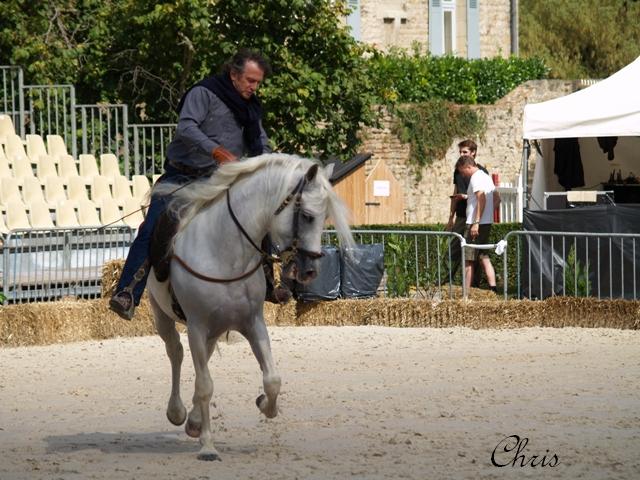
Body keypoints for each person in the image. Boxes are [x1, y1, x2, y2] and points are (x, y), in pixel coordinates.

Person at [109, 49, 273, 320]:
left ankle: (270, 281)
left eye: (258, 82)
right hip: (182, 176)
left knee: (261, 215)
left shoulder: (250, 107)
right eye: (250, 80)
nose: (254, 87)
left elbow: (261, 142)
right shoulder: (203, 93)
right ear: (233, 74)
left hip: (220, 179)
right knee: (153, 225)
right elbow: (186, 128)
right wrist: (216, 151)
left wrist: (269, 163)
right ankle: (127, 291)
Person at [455, 154, 499, 293]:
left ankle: (466, 294)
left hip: (475, 224)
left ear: (468, 166)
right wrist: (487, 216)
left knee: (468, 259)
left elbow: (482, 198)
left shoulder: (476, 178)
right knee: (483, 256)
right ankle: (493, 289)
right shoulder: (485, 177)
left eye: (462, 171)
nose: (462, 175)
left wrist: (476, 222)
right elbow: (497, 198)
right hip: (485, 223)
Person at [445, 140, 488, 280]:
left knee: (474, 254)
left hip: (473, 217)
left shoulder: (481, 172)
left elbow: (484, 196)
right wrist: (451, 218)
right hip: (461, 215)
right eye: (460, 152)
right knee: (453, 250)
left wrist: (478, 220)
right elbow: (455, 192)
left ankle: (474, 286)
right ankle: (443, 280)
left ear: (473, 153)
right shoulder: (458, 171)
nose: (461, 154)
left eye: (465, 152)